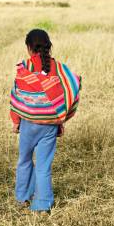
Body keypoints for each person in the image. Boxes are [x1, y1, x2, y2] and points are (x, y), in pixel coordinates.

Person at [10, 29, 81, 213]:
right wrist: (61, 119)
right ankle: (42, 204)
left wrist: (16, 120)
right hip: (50, 125)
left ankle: (22, 197)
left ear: (28, 48)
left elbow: (17, 95)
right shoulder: (59, 68)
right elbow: (68, 92)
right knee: (43, 166)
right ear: (48, 46)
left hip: (28, 124)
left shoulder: (24, 67)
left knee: (24, 160)